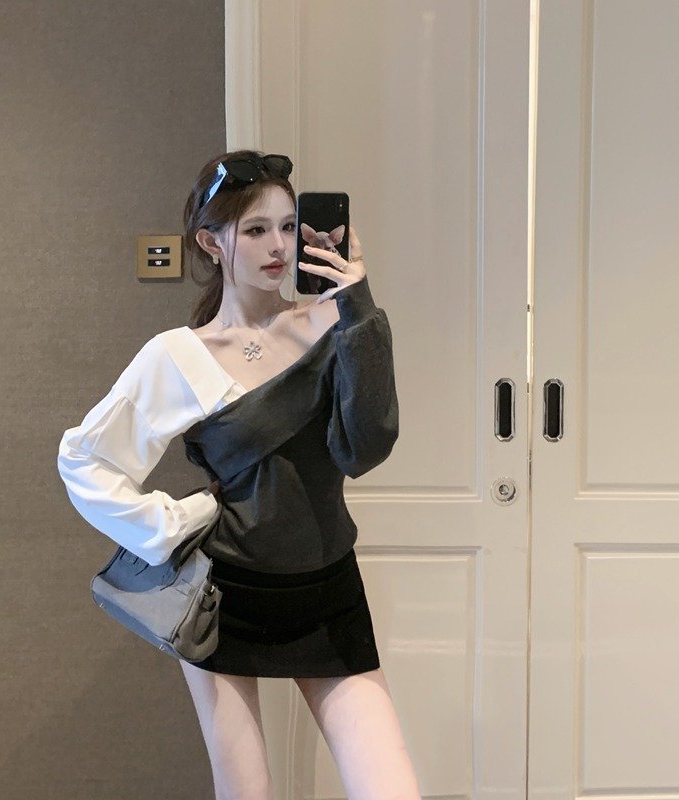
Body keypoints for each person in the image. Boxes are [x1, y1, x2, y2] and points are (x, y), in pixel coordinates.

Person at [56, 150, 421, 799]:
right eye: (255, 229)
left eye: (289, 226)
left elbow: (364, 449)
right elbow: (84, 457)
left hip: (327, 588)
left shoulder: (335, 324)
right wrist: (170, 523)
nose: (279, 246)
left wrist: (358, 304)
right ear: (211, 242)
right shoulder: (178, 356)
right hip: (225, 596)